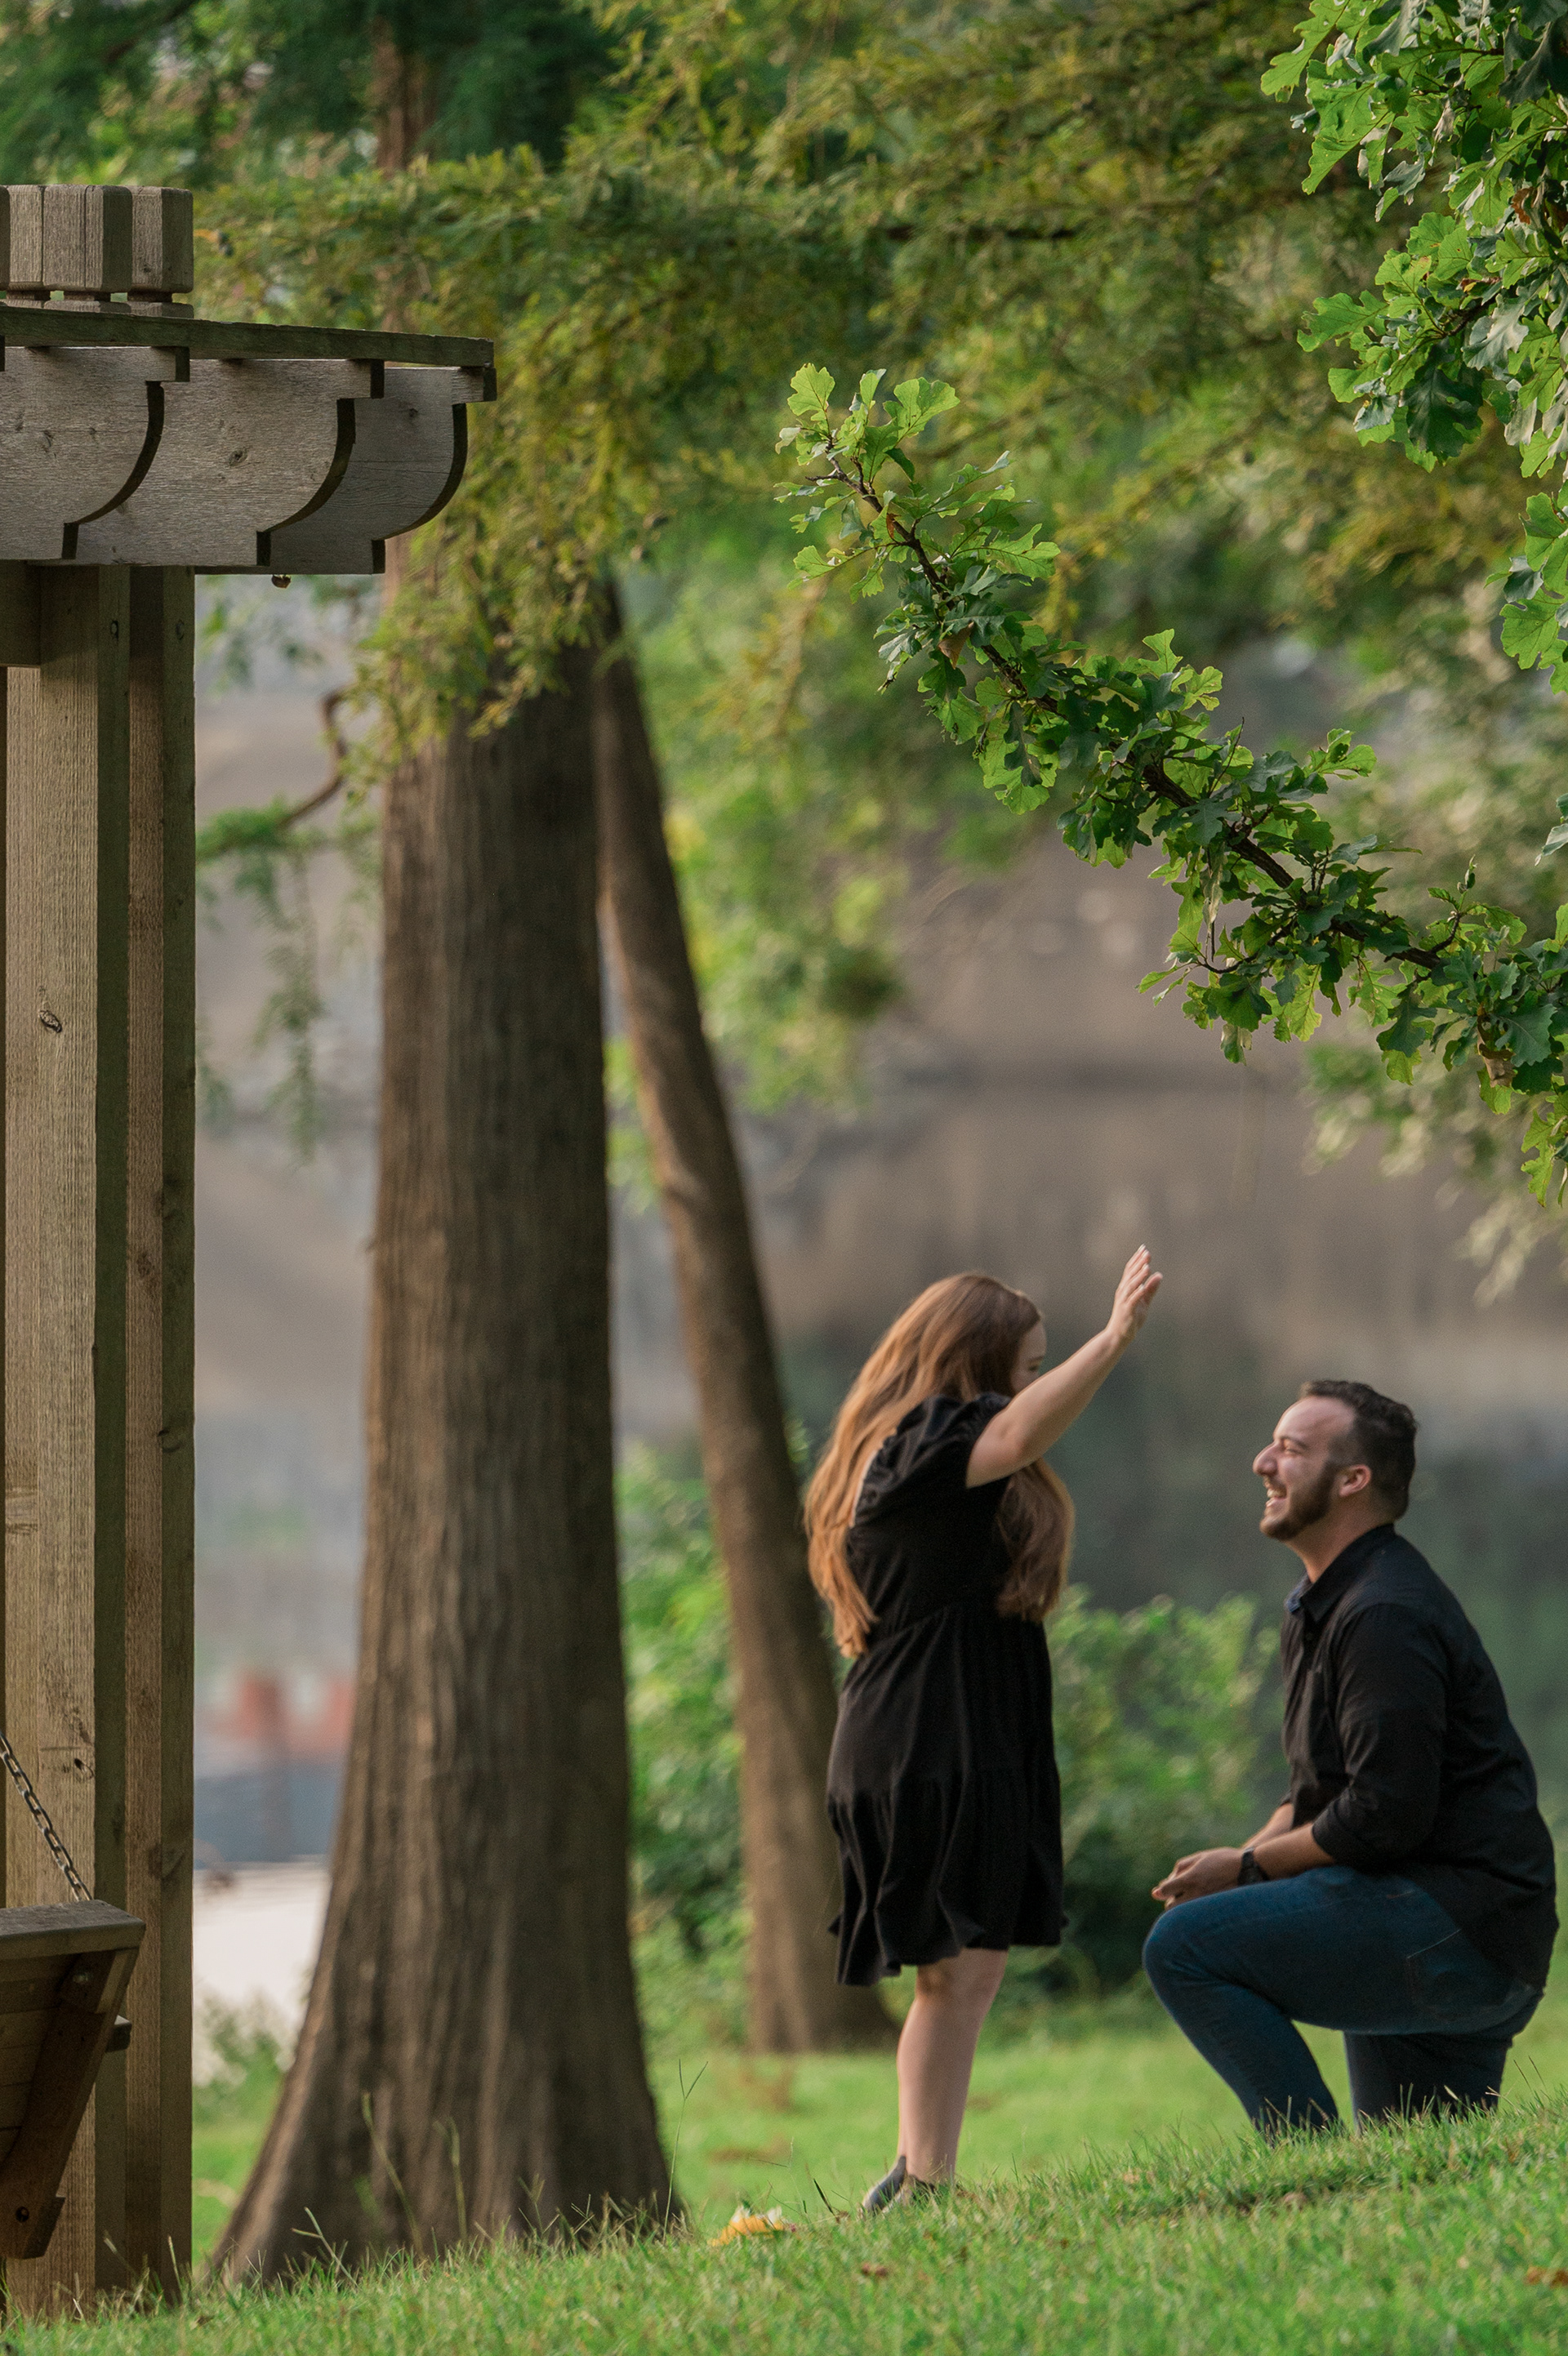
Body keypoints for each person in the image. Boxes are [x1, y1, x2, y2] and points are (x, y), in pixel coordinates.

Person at [804, 1248, 1164, 2209]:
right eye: (1027, 1362)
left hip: (946, 1725)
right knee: (954, 1972)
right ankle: (926, 2179)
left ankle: (918, 2169)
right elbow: (1011, 1434)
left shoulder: (918, 1450)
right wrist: (1112, 1339)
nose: (1031, 1382)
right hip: (929, 1735)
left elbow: (1009, 1442)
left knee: (964, 1968)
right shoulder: (919, 1441)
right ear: (973, 1355)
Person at [1145, 1379, 1557, 2135]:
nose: (1263, 1461)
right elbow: (1319, 1794)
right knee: (1415, 2157)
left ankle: (1303, 2155)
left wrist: (1245, 1870)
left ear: (1353, 1479)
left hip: (1451, 1926)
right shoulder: (1324, 1602)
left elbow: (1382, 1816)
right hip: (1450, 1924)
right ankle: (1351, 2175)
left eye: (1292, 1449)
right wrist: (1235, 1864)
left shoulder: (1382, 1613)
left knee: (1184, 1947)